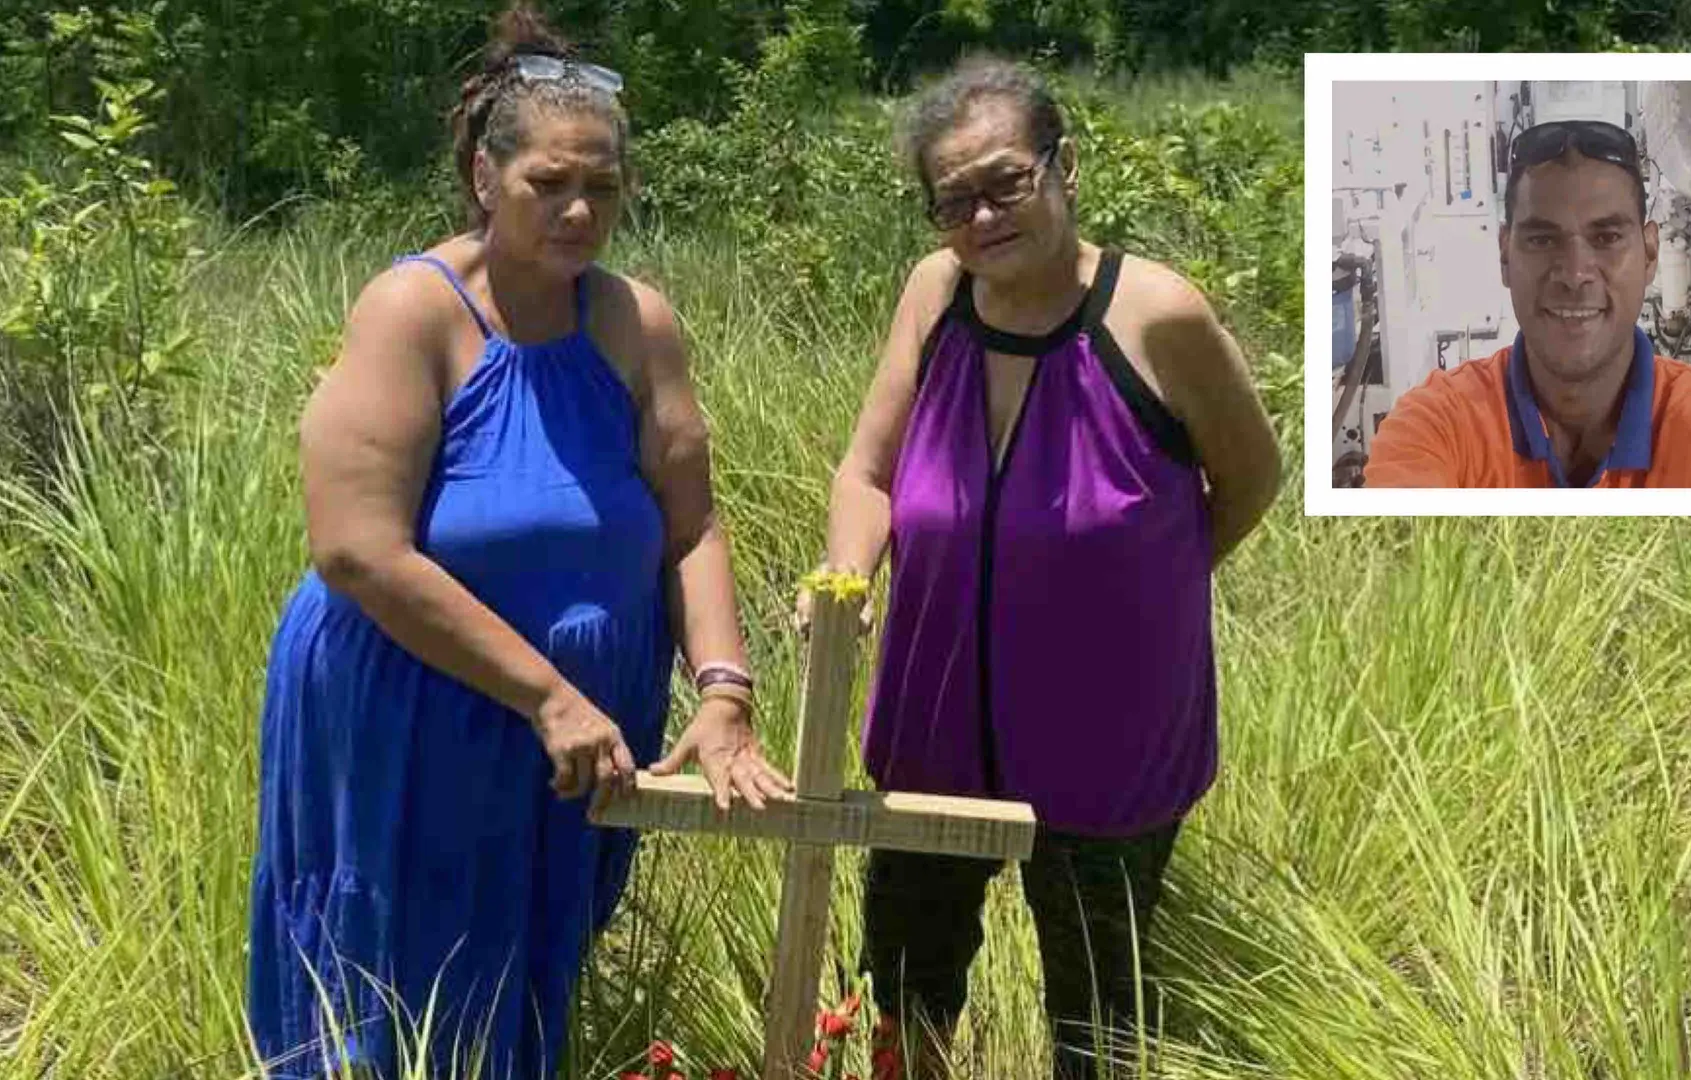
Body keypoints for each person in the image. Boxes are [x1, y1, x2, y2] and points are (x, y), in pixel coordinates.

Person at [246, 8, 792, 1078]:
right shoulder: (415, 312)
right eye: (551, 182)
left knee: (526, 977)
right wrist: (545, 693)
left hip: (577, 743)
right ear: (485, 175)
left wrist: (724, 690)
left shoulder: (636, 321)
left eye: (605, 184)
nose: (582, 208)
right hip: (415, 717)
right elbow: (356, 549)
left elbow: (692, 525)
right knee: (389, 989)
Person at [799, 56, 1282, 1080]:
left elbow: (1248, 479)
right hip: (934, 719)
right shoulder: (936, 296)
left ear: (1064, 167)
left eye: (1006, 182)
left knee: (1099, 1015)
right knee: (907, 982)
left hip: (1112, 731)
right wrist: (847, 573)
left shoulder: (1158, 318)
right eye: (954, 201)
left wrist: (1141, 590)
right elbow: (867, 470)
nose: (982, 217)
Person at [1363, 119, 1691, 488]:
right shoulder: (1437, 426)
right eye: (1542, 239)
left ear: (1650, 254)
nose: (1575, 274)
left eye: (1607, 237)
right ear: (1504, 256)